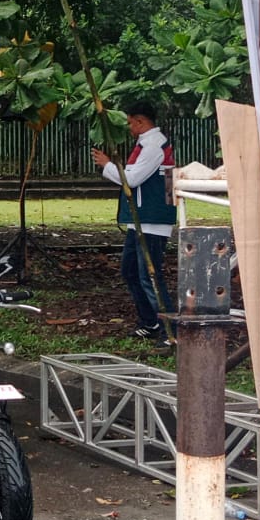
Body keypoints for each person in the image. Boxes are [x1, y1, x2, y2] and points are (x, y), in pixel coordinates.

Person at [91, 102, 176, 346]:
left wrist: (107, 164)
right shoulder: (146, 144)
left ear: (140, 121)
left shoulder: (153, 146)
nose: (128, 127)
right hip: (139, 220)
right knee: (129, 271)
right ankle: (150, 322)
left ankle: (170, 331)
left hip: (151, 220)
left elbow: (133, 179)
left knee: (150, 275)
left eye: (130, 123)